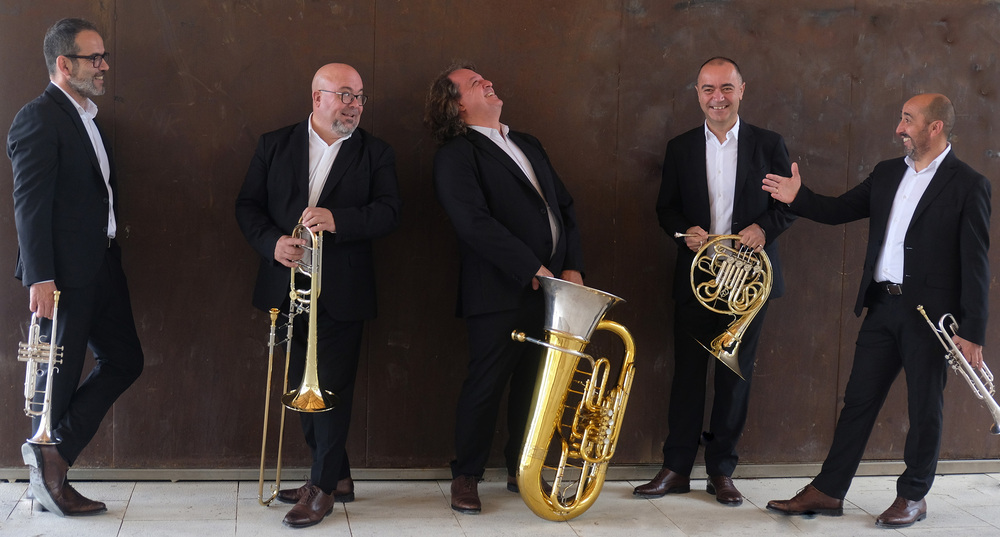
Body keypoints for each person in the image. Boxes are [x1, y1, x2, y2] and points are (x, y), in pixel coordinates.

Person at [763, 93, 990, 528]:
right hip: (883, 306)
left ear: (935, 127)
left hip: (930, 318)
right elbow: (838, 210)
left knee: (925, 409)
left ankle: (913, 495)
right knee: (858, 402)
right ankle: (829, 490)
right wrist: (798, 197)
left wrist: (973, 330)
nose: (899, 128)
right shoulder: (888, 173)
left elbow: (976, 263)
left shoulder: (968, 184)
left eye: (908, 119)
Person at [235, 63, 401, 529]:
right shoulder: (274, 144)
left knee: (330, 390)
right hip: (287, 288)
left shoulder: (376, 152)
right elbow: (246, 205)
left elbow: (390, 212)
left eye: (360, 96)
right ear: (317, 98)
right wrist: (271, 242)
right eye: (345, 95)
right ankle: (337, 477)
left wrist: (339, 220)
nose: (354, 105)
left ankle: (322, 487)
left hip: (343, 291)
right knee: (301, 387)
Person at [424, 64, 585, 514]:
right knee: (486, 384)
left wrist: (571, 266)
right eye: (475, 83)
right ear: (456, 104)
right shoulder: (455, 154)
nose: (488, 82)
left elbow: (565, 207)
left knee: (536, 384)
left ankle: (523, 470)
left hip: (553, 288)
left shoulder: (528, 143)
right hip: (497, 290)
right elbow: (472, 222)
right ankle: (466, 476)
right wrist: (530, 266)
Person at [637, 57, 795, 506]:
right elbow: (666, 208)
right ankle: (676, 468)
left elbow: (788, 204)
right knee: (687, 377)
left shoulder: (769, 144)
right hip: (699, 278)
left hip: (749, 283)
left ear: (742, 90)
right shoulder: (681, 147)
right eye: (708, 89)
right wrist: (683, 231)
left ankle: (721, 471)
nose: (717, 97)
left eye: (726, 88)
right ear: (697, 94)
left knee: (734, 380)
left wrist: (764, 229)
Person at [9, 18, 145, 517]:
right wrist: (40, 277)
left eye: (104, 56)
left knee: (125, 360)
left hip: (101, 264)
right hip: (63, 276)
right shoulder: (38, 118)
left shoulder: (86, 117)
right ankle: (49, 475)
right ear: (64, 64)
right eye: (95, 58)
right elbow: (29, 205)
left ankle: (53, 457)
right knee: (56, 381)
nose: (104, 65)